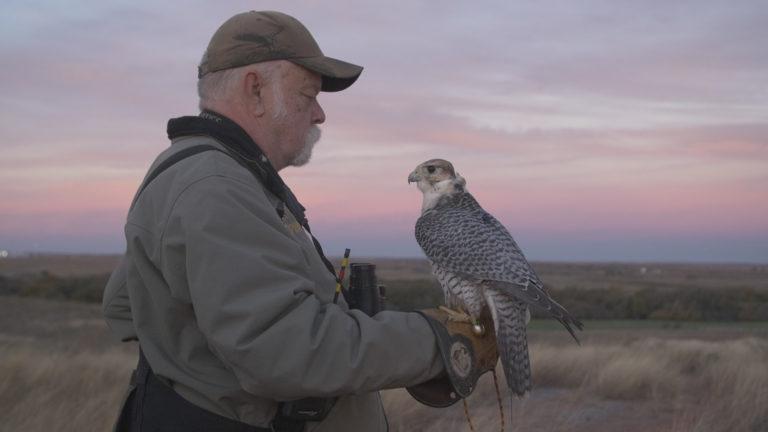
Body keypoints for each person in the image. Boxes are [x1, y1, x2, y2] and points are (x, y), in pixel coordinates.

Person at [103, 11, 495, 432]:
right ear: (255, 91)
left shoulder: (193, 169)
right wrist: (440, 338)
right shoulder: (217, 187)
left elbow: (125, 306)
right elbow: (291, 353)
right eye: (308, 94)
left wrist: (200, 363)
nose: (320, 113)